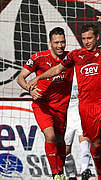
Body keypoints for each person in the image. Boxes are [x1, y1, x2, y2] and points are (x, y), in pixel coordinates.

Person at [28, 16, 101, 180]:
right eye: (84, 39)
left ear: (97, 38)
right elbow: (58, 68)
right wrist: (39, 77)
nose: (86, 42)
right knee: (94, 143)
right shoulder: (75, 55)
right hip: (86, 106)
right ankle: (100, 172)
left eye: (90, 38)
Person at [16, 27, 73, 180]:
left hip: (62, 106)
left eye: (62, 42)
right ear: (50, 43)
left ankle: (60, 172)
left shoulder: (70, 58)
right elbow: (20, 78)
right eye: (56, 42)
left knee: (61, 141)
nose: (60, 45)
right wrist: (30, 89)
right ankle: (56, 173)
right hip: (42, 106)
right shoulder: (38, 58)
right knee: (50, 136)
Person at [64, 72, 92, 180]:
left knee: (84, 144)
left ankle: (85, 170)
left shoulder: (83, 72)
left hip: (82, 112)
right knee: (65, 150)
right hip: (66, 115)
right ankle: (71, 175)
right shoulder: (59, 72)